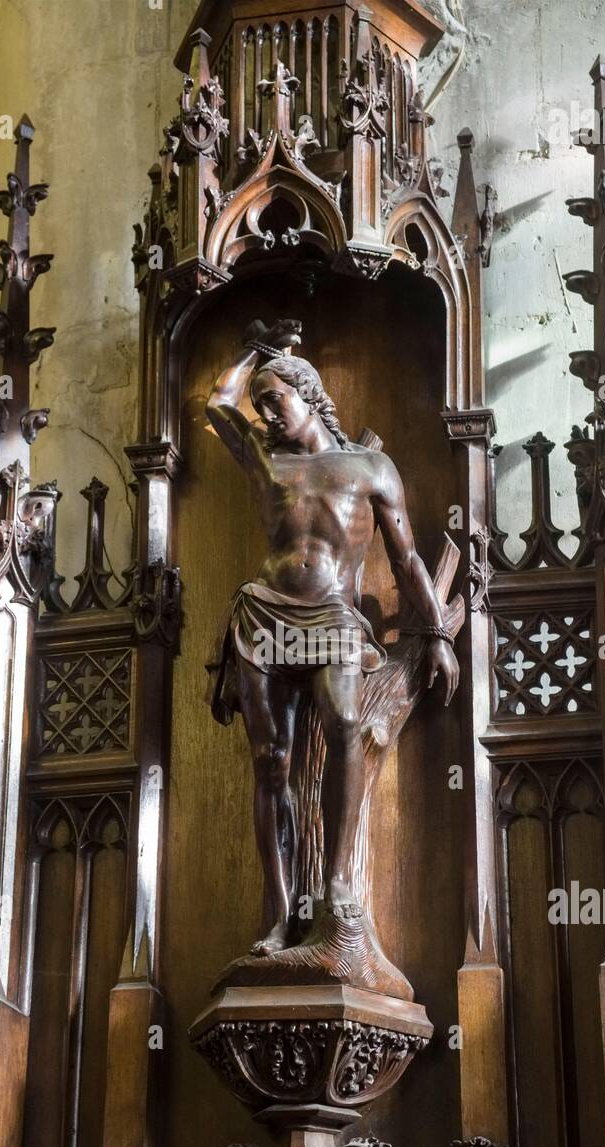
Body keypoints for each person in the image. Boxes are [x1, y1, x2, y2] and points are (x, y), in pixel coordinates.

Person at [206, 317, 458, 956]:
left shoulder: (369, 467)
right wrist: (253, 351)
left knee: (345, 723)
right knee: (271, 760)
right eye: (260, 403)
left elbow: (406, 561)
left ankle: (339, 883)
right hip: (265, 613)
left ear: (309, 394)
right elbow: (216, 403)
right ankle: (279, 911)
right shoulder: (268, 460)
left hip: (334, 619)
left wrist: (435, 633)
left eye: (276, 399)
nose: (266, 412)